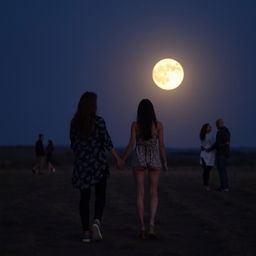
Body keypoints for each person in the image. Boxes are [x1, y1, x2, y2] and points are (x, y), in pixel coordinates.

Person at [70, 92, 123, 243]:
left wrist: (82, 155)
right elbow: (107, 141)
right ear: (94, 105)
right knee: (100, 195)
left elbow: (73, 145)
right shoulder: (99, 121)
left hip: (82, 165)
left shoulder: (74, 123)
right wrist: (118, 159)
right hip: (99, 164)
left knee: (84, 198)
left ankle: (86, 232)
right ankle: (97, 221)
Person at [122, 99, 168, 239]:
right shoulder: (158, 125)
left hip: (139, 158)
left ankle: (142, 227)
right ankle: (152, 225)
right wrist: (165, 162)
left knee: (140, 193)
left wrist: (122, 159)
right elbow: (161, 146)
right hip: (154, 158)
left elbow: (131, 144)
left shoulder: (135, 125)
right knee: (153, 193)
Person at [208, 119, 231, 192]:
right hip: (221, 154)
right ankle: (224, 186)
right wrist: (210, 149)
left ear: (221, 124)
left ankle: (224, 187)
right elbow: (217, 143)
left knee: (222, 171)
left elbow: (226, 142)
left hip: (222, 154)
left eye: (217, 124)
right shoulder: (221, 131)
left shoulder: (223, 131)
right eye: (216, 124)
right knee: (222, 171)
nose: (216, 125)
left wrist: (220, 147)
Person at [199, 123, 215, 191]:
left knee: (205, 171)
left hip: (203, 154)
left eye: (210, 127)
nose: (210, 128)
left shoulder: (202, 135)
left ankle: (205, 185)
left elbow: (202, 146)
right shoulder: (209, 136)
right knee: (207, 171)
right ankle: (206, 185)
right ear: (205, 128)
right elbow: (213, 145)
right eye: (209, 127)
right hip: (208, 154)